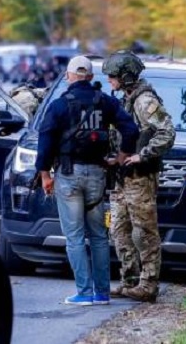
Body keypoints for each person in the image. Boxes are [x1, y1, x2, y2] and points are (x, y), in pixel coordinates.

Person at [35, 55, 139, 306]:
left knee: (74, 237)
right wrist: (122, 156)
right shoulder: (105, 102)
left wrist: (45, 175)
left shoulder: (59, 105)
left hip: (69, 176)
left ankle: (84, 292)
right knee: (99, 237)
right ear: (91, 77)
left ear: (69, 77)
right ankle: (102, 293)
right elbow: (131, 129)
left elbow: (46, 140)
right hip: (97, 175)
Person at [102, 50, 176, 303]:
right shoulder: (126, 99)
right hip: (122, 177)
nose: (109, 80)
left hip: (140, 176)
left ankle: (148, 283)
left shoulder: (144, 101)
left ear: (126, 76)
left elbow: (166, 132)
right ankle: (130, 280)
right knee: (118, 229)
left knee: (143, 231)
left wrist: (143, 155)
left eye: (112, 76)